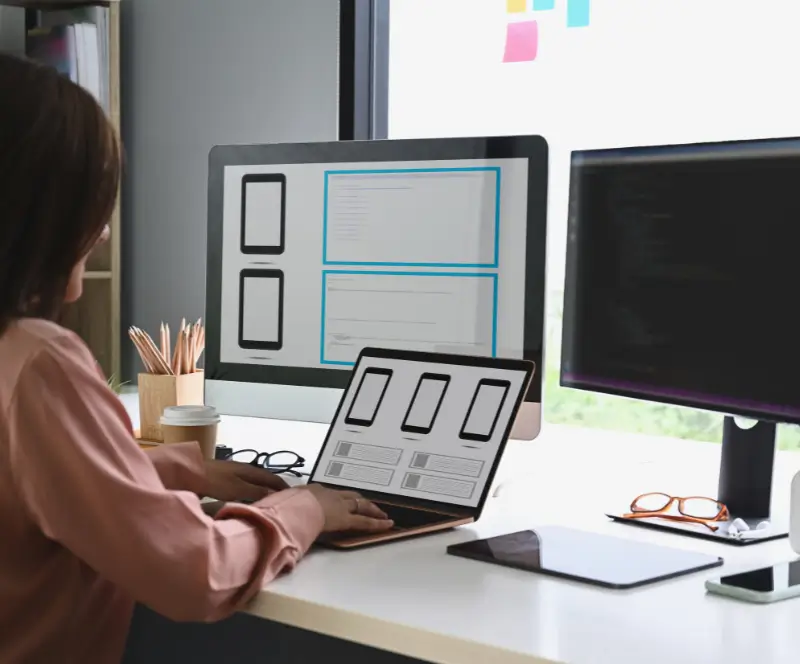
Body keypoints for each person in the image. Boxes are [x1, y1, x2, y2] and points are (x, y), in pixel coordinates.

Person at [0, 53, 393, 664]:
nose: (101, 231)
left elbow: (29, 488)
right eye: (94, 202)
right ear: (40, 211)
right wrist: (305, 508)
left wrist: (175, 469)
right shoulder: (37, 364)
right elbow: (196, 573)